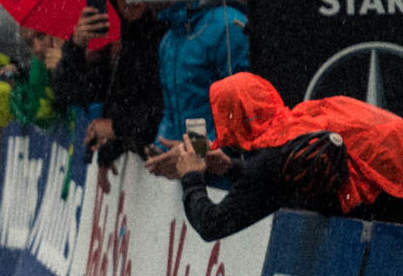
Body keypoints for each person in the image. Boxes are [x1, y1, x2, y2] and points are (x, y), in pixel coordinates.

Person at [163, 72, 403, 238]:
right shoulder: (308, 115)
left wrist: (191, 176)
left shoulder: (273, 160)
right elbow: (276, 182)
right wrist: (231, 168)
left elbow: (212, 225)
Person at [48, 0, 166, 168]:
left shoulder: (165, 39)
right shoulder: (121, 48)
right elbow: (71, 92)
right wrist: (76, 45)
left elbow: (161, 111)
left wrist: (115, 127)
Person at [143, 0, 248, 176]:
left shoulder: (227, 25)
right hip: (193, 174)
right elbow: (172, 110)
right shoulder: (170, 40)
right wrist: (160, 148)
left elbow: (243, 110)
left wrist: (196, 151)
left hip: (229, 175)